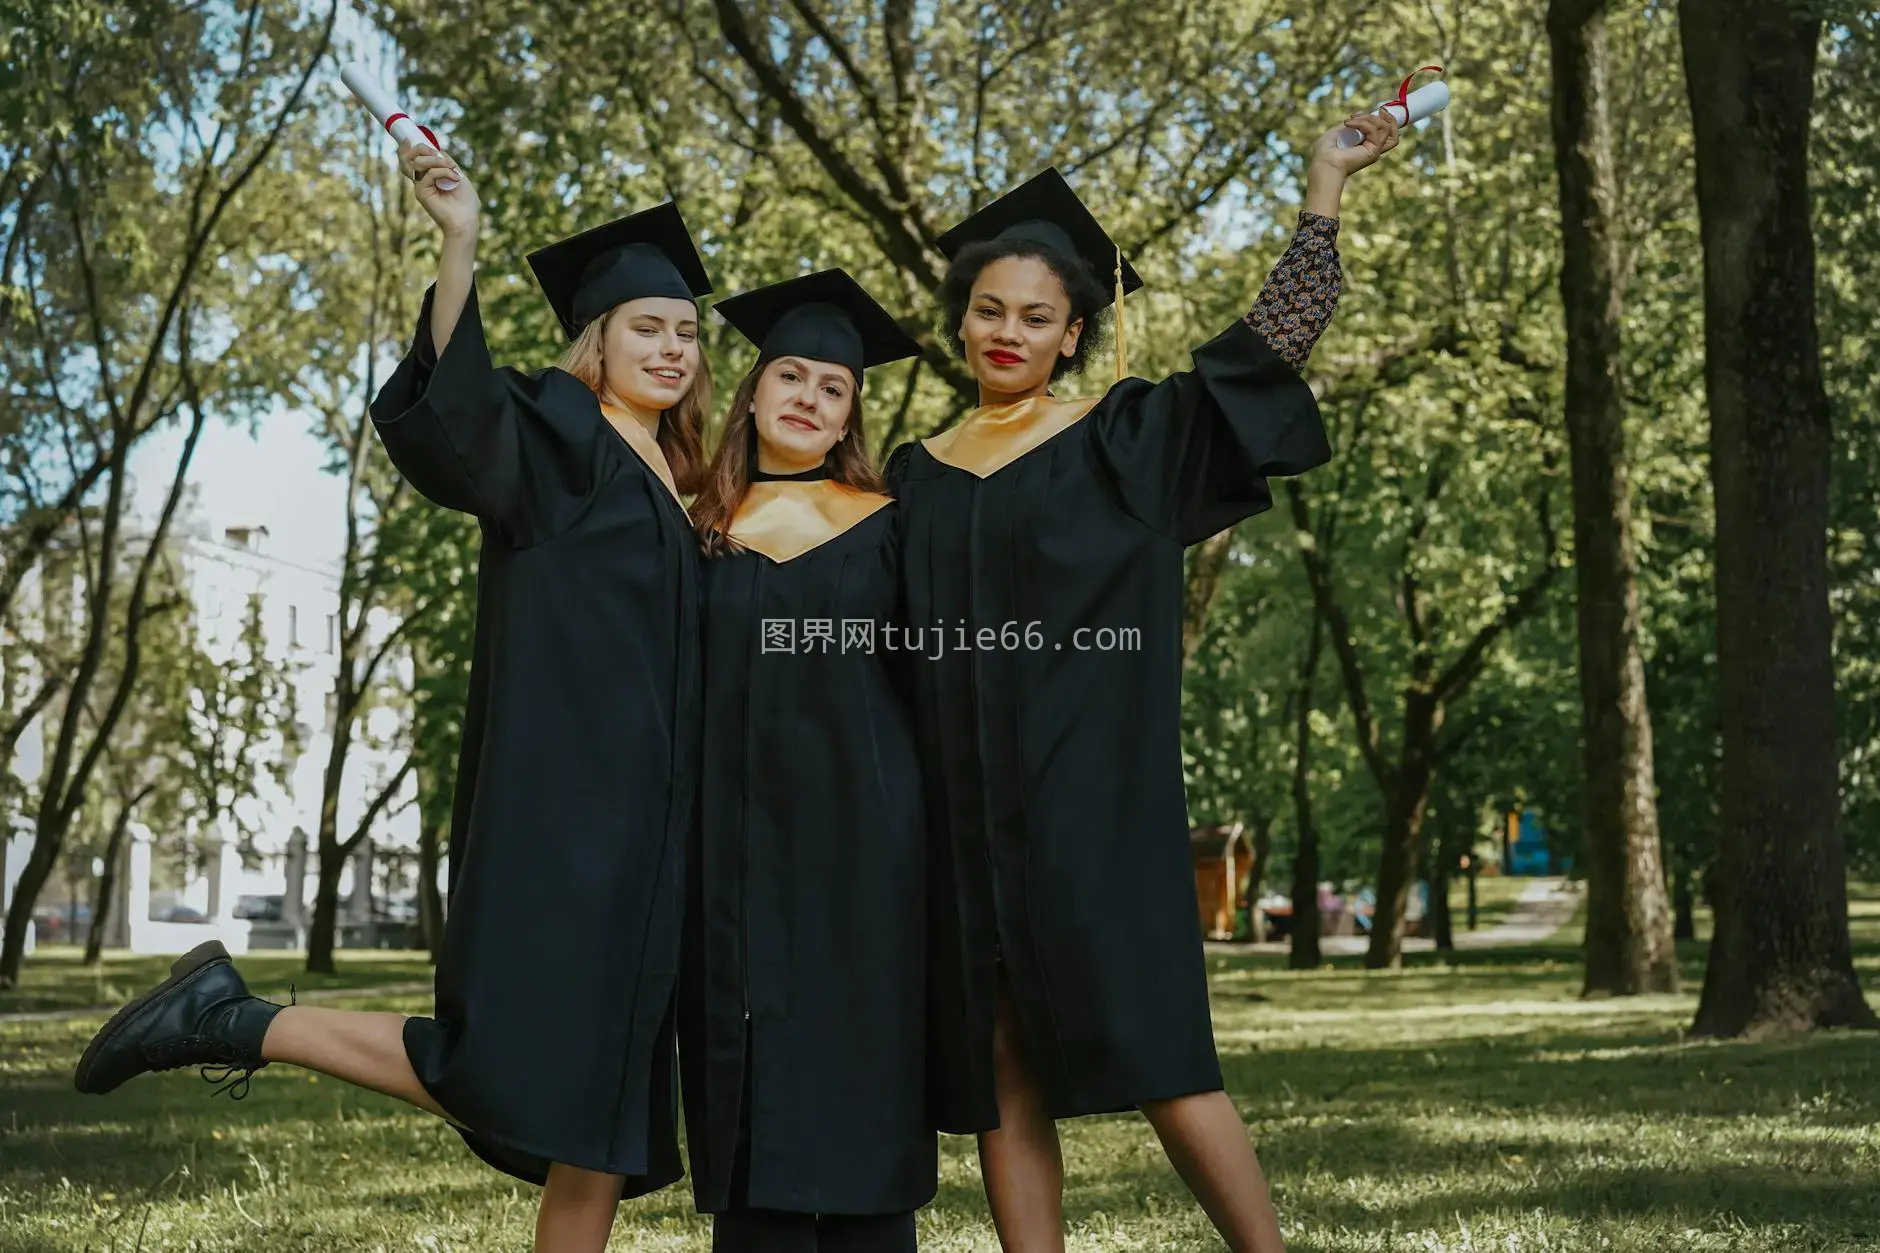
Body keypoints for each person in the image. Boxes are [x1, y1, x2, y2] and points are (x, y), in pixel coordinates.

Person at [72, 139, 714, 1253]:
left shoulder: (680, 474)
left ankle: (227, 1011)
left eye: (686, 331)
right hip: (570, 828)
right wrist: (458, 243)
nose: (669, 346)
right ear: (595, 341)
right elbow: (461, 418)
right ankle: (234, 1018)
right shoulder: (562, 432)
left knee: (601, 1118)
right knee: (511, 1072)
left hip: (652, 837)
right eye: (644, 327)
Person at [885, 111, 1400, 1253]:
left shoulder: (1126, 437)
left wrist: (1321, 192)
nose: (1006, 331)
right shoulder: (912, 474)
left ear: (1073, 335)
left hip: (1091, 810)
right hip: (956, 819)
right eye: (987, 309)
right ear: (960, 319)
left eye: (1036, 316)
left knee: (1165, 1051)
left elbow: (1264, 352)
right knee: (1000, 1058)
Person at [681, 269, 932, 1252]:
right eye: (789, 375)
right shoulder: (692, 522)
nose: (808, 398)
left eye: (833, 389)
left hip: (868, 839)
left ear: (846, 418)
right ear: (751, 391)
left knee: (864, 1050)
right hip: (732, 843)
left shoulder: (888, 525)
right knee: (750, 1054)